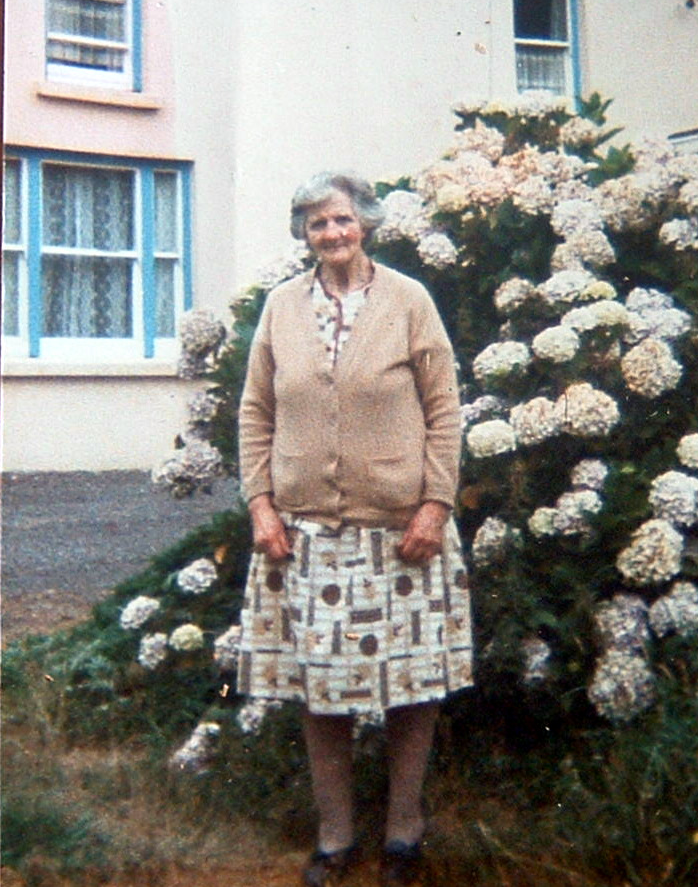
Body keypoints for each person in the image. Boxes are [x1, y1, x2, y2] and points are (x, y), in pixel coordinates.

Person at [236, 171, 473, 886]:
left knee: (413, 686)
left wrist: (435, 504)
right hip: (306, 535)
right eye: (318, 224)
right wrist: (261, 505)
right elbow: (255, 411)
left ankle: (403, 832)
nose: (332, 233)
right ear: (304, 234)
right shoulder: (281, 306)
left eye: (341, 219)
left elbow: (444, 409)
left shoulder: (408, 300)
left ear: (364, 224)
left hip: (403, 532)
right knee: (320, 689)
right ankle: (334, 836)